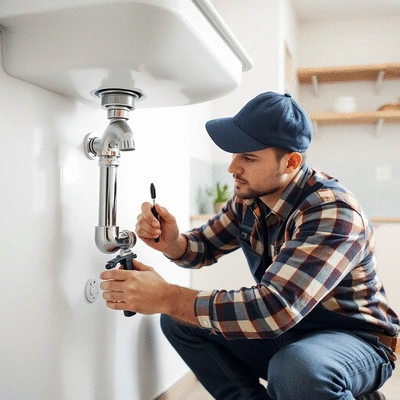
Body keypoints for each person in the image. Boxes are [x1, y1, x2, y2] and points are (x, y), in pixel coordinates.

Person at [100, 92, 399, 400]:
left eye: (248, 157)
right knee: (179, 320)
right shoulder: (251, 198)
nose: (232, 168)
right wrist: (172, 241)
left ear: (291, 162)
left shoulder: (332, 211)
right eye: (234, 154)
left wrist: (167, 296)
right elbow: (201, 248)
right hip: (290, 332)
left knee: (297, 369)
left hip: (355, 339)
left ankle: (334, 386)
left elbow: (275, 309)